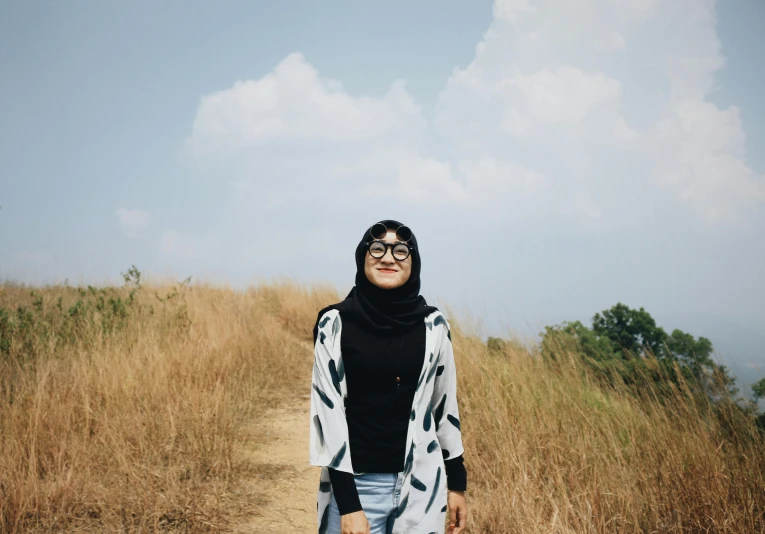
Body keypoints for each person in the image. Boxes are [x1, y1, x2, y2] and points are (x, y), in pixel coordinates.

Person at [309, 220, 468, 534]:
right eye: (378, 248)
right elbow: (329, 416)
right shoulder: (335, 323)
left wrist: (456, 484)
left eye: (401, 250)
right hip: (359, 486)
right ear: (363, 257)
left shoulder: (434, 325)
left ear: (414, 261)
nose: (388, 258)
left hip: (423, 485)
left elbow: (444, 407)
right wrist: (350, 504)